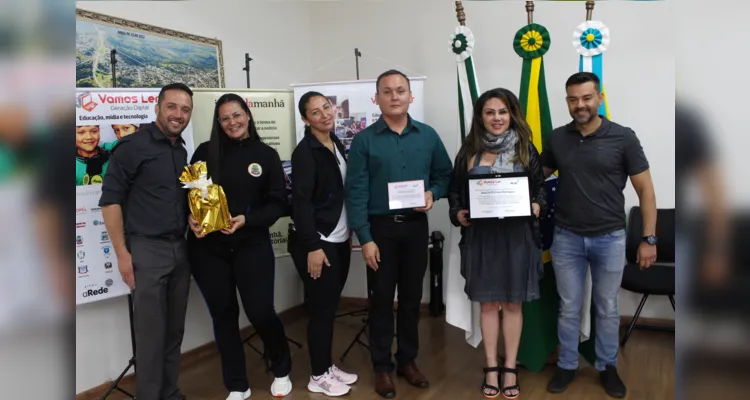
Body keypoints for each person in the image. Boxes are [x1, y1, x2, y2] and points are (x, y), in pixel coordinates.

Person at [542, 72, 657, 399]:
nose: (580, 105)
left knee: (606, 306)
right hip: (565, 238)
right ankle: (566, 364)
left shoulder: (623, 138)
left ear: (600, 98)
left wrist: (649, 239)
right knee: (568, 307)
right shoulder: (558, 138)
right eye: (573, 99)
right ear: (567, 101)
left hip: (609, 238)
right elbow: (536, 175)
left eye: (586, 98)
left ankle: (607, 366)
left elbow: (646, 190)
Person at [345, 69, 453, 399]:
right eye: (387, 92)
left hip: (416, 228)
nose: (395, 96)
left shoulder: (428, 135)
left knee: (409, 300)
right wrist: (365, 238)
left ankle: (407, 360)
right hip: (380, 231)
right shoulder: (364, 140)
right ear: (376, 99)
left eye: (400, 91)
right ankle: (382, 367)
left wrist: (433, 193)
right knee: (380, 301)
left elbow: (445, 174)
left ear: (411, 96)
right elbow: (356, 192)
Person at [187, 93, 292, 400]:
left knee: (260, 311)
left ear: (247, 115)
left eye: (236, 115)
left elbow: (278, 204)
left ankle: (282, 366)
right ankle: (237, 384)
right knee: (223, 315)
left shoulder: (267, 155)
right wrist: (191, 218)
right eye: (224, 118)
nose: (231, 122)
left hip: (251, 244)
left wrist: (248, 220)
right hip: (208, 249)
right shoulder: (204, 152)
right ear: (218, 123)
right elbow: (190, 196)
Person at [447, 88, 545, 399]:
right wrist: (458, 213)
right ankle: (491, 365)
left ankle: (511, 367)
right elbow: (455, 194)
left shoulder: (527, 150)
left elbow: (541, 191)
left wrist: (537, 206)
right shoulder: (468, 153)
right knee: (488, 304)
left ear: (512, 114)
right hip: (482, 239)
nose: (497, 118)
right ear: (480, 117)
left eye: (502, 112)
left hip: (518, 238)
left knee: (514, 304)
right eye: (490, 112)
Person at [99, 83, 194, 400]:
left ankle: (170, 392)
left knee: (173, 332)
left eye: (185, 109)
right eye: (172, 106)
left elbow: (176, 199)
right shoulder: (131, 147)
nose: (178, 114)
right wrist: (122, 254)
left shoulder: (181, 150)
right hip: (146, 251)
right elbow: (110, 202)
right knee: (151, 336)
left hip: (180, 248)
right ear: (157, 107)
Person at [287, 91, 358, 397]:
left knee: (330, 307)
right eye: (315, 112)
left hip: (338, 237)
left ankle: (327, 366)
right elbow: (300, 203)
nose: (324, 115)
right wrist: (312, 246)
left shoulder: (335, 141)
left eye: (326, 108)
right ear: (305, 119)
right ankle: (317, 375)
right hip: (317, 242)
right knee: (321, 309)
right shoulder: (306, 152)